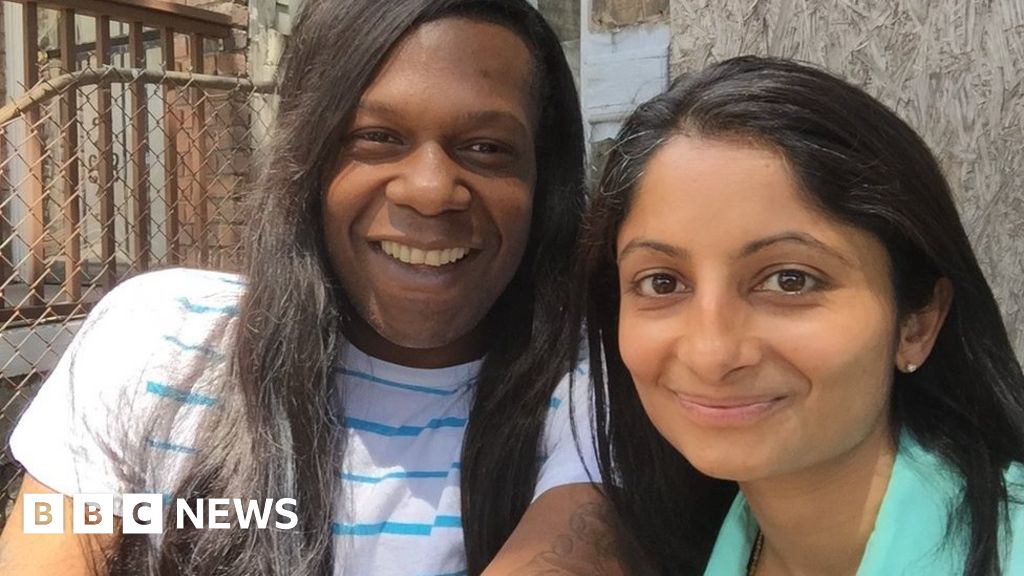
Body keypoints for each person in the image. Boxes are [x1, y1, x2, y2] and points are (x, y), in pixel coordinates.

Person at [0, 1, 623, 575]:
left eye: (486, 147)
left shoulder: (597, 385)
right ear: (308, 158)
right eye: (376, 136)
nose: (431, 191)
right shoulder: (156, 340)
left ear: (542, 183)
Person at [574, 56, 1024, 575]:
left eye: (790, 280)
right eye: (662, 283)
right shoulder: (676, 544)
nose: (712, 354)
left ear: (916, 324)